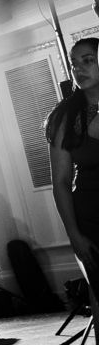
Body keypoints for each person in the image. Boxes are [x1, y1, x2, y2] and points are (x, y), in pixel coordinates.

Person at [48, 36, 99, 298]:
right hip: (92, 221)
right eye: (73, 63)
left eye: (88, 60)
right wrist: (74, 234)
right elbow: (60, 182)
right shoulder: (65, 117)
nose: (78, 68)